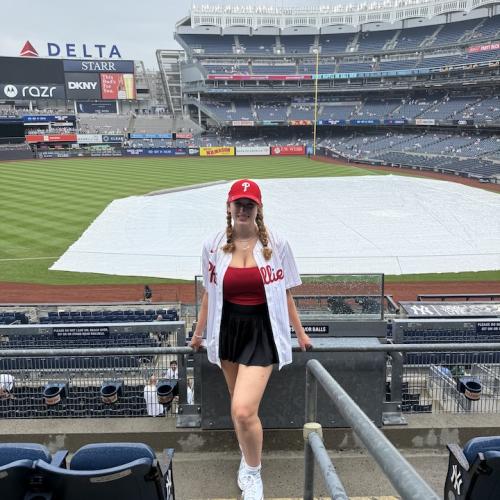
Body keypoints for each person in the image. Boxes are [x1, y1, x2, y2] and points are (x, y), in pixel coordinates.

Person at [190, 179, 312, 500]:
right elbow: (208, 295)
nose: (243, 210)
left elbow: (285, 295)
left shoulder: (278, 244)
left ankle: (254, 473)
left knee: (244, 410)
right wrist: (199, 333)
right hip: (227, 330)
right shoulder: (212, 245)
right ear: (229, 207)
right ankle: (247, 460)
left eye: (249, 205)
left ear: (258, 209)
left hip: (262, 331)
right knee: (235, 407)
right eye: (238, 204)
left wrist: (300, 333)